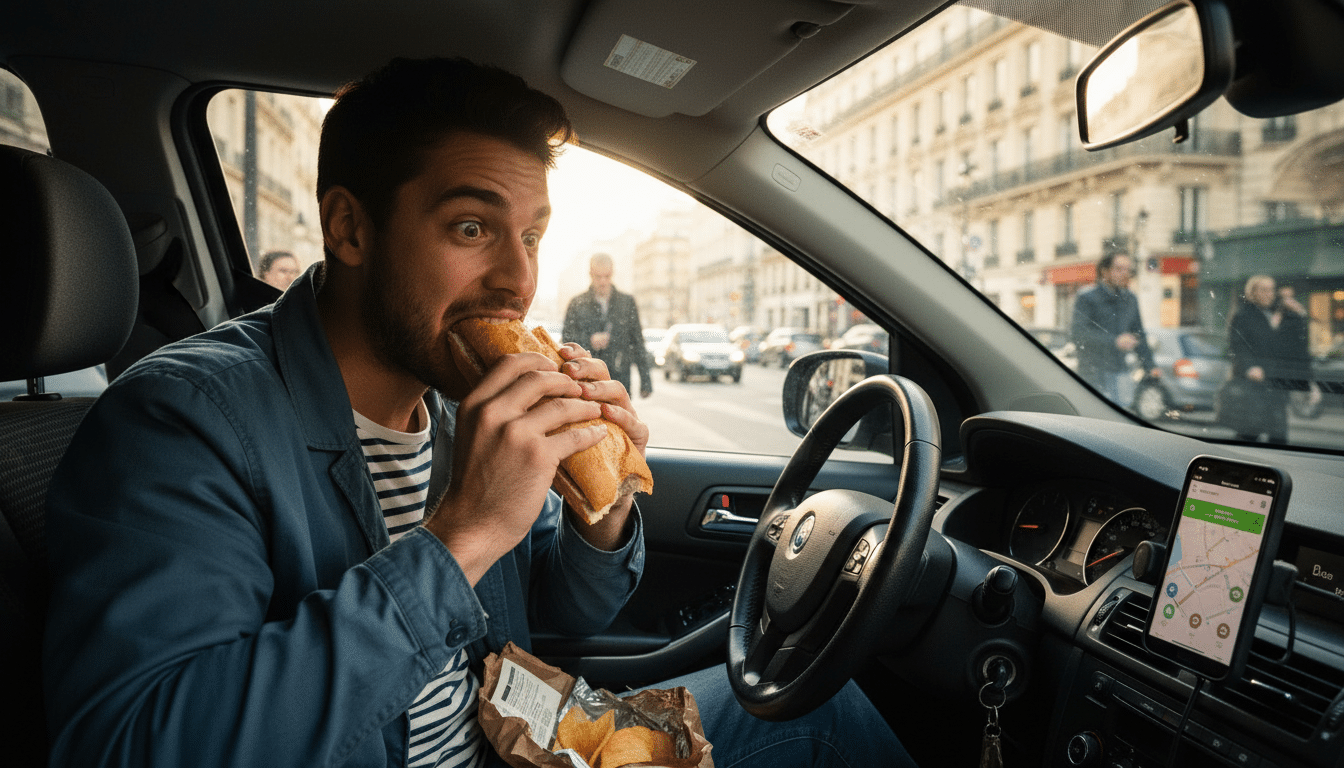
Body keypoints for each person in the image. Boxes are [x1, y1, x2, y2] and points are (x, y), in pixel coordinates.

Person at [43, 57, 914, 768]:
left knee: (821, 706)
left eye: (532, 235)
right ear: (349, 230)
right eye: (472, 228)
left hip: (510, 745)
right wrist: (459, 538)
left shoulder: (458, 407)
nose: (519, 279)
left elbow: (559, 619)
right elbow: (132, 745)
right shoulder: (183, 420)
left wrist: (600, 511)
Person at [1227, 275, 1311, 443]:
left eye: (1272, 289)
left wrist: (1300, 314)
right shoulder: (1244, 315)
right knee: (1250, 432)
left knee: (1278, 434)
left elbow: (1298, 347)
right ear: (1252, 292)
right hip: (1253, 384)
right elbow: (1238, 345)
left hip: (1276, 383)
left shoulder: (1281, 313)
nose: (1269, 294)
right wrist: (1250, 367)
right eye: (1263, 289)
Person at [1071, 252, 1161, 406]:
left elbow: (1139, 334)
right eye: (1119, 269)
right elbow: (1078, 334)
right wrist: (1115, 341)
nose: (1125, 274)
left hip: (1120, 370)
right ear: (1104, 272)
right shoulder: (1087, 297)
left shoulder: (1130, 299)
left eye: (1128, 269)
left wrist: (1150, 366)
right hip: (1093, 373)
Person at [562, 253, 653, 398]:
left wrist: (646, 381)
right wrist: (589, 340)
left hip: (619, 378)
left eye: (607, 276)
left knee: (618, 418)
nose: (603, 282)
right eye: (598, 277)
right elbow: (567, 339)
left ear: (612, 274)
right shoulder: (577, 303)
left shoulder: (627, 303)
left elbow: (637, 341)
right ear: (591, 274)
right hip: (587, 381)